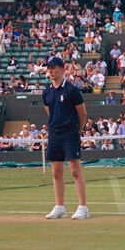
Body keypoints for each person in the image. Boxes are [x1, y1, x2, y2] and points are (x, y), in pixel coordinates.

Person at [42, 57, 89, 219]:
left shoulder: (72, 90)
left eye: (54, 68)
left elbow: (82, 114)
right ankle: (59, 206)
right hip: (54, 134)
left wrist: (78, 131)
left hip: (70, 134)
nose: (51, 71)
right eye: (49, 68)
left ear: (63, 69)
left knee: (75, 171)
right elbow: (49, 110)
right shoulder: (46, 92)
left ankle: (83, 207)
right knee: (56, 172)